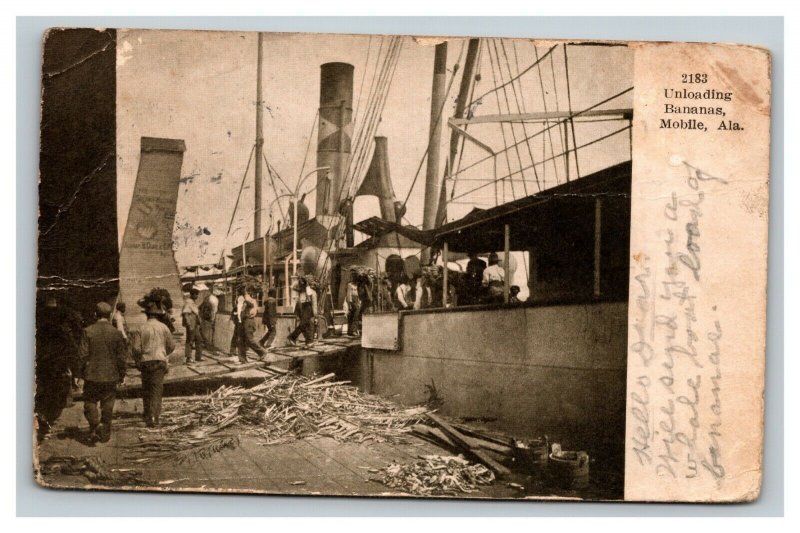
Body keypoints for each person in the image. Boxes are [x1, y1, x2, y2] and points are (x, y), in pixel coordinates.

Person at [76, 302, 128, 443]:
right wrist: (122, 374)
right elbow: (122, 358)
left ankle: (94, 424)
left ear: (95, 315)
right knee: (108, 404)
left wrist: (78, 375)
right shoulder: (116, 333)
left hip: (92, 375)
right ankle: (104, 433)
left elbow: (82, 355)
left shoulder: (88, 331)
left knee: (90, 402)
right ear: (110, 315)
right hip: (111, 375)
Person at [35, 294, 82, 441]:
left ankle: (43, 420)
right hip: (57, 366)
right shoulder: (62, 327)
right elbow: (72, 349)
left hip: (41, 364)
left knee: (44, 394)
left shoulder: (38, 322)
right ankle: (45, 422)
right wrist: (76, 371)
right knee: (56, 397)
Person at [130, 301, 175, 427]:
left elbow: (136, 348)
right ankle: (154, 417)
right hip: (160, 361)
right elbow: (172, 345)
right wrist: (164, 353)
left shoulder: (140, 328)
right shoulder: (164, 327)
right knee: (156, 389)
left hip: (146, 361)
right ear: (158, 315)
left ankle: (147, 413)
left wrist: (138, 360)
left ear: (147, 315)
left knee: (146, 387)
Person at [238, 286, 267, 363]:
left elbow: (252, 313)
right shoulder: (242, 301)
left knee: (249, 340)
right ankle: (242, 359)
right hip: (244, 322)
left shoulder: (251, 301)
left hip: (248, 322)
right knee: (241, 340)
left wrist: (243, 312)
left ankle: (262, 352)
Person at [286, 277, 318, 346]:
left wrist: (315, 312)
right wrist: (300, 280)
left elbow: (313, 302)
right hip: (304, 307)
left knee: (306, 324)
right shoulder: (302, 290)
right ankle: (295, 338)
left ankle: (308, 341)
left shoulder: (310, 291)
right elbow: (292, 287)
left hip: (307, 307)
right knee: (304, 324)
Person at [181, 288, 203, 364]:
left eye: (197, 294)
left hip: (195, 324)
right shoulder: (188, 302)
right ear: (192, 294)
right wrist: (189, 325)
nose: (197, 296)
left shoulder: (193, 302)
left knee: (199, 339)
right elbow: (186, 314)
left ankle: (198, 357)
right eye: (196, 294)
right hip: (191, 324)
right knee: (189, 341)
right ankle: (188, 358)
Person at [345, 271, 360, 336]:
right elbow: (349, 294)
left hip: (357, 299)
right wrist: (349, 303)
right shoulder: (350, 284)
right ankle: (353, 330)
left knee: (353, 315)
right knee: (355, 314)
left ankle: (351, 331)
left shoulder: (358, 285)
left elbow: (358, 294)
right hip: (352, 300)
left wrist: (359, 301)